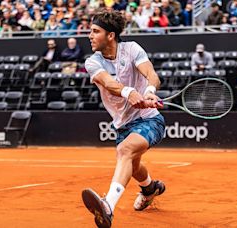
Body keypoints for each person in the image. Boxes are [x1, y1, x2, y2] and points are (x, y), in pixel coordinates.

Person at [82, 10, 166, 228]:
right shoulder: (92, 62)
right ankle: (150, 189)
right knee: (134, 165)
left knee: (125, 151)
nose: (90, 36)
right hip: (122, 125)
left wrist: (148, 91)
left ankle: (108, 207)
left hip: (149, 119)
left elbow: (152, 75)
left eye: (95, 31)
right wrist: (130, 93)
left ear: (110, 35)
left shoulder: (132, 49)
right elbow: (108, 83)